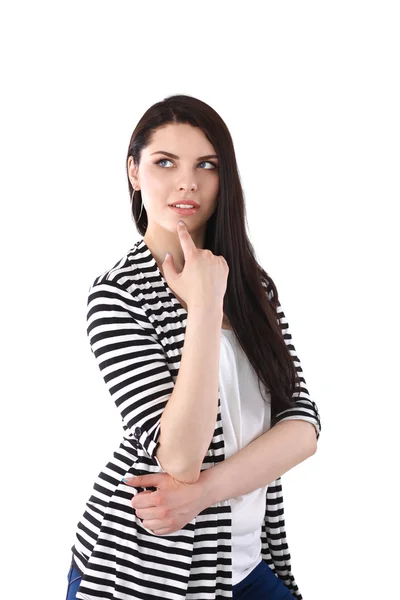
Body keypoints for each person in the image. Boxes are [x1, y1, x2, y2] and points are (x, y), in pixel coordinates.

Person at [67, 94, 321, 600]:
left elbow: (304, 427)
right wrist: (203, 310)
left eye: (207, 165)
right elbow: (179, 455)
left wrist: (204, 492)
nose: (187, 182)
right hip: (147, 566)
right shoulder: (119, 293)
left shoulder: (254, 287)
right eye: (165, 163)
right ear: (135, 173)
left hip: (246, 560)